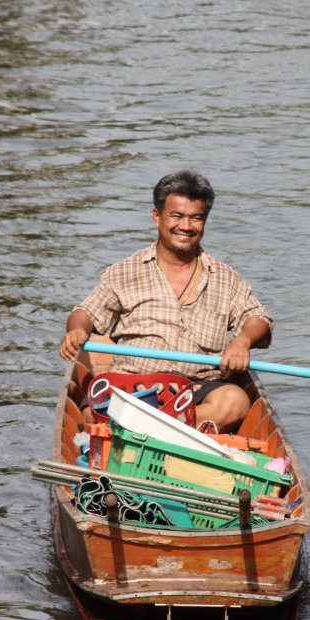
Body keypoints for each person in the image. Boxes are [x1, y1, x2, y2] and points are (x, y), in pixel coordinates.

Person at [59, 170, 273, 433]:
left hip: (196, 392)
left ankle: (141, 429)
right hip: (133, 385)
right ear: (157, 217)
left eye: (196, 218)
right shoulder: (125, 271)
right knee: (95, 409)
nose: (186, 226)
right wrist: (76, 331)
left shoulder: (226, 278)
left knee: (236, 402)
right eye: (177, 216)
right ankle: (174, 431)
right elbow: (84, 314)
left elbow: (258, 319)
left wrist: (242, 341)